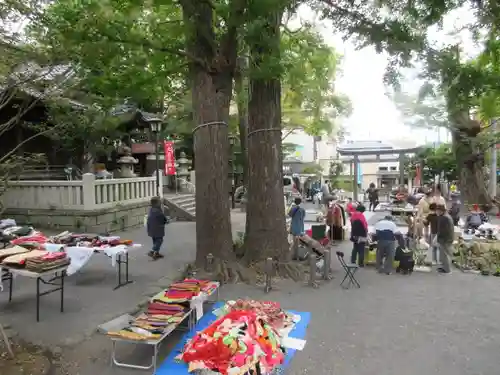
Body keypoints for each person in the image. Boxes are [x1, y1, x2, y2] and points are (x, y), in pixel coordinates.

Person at [436, 204, 455, 274]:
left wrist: (439, 239)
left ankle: (447, 269)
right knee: (444, 254)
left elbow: (444, 231)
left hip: (445, 239)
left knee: (445, 254)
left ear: (441, 211)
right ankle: (444, 267)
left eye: (437, 211)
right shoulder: (446, 216)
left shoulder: (444, 218)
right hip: (448, 238)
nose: (436, 212)